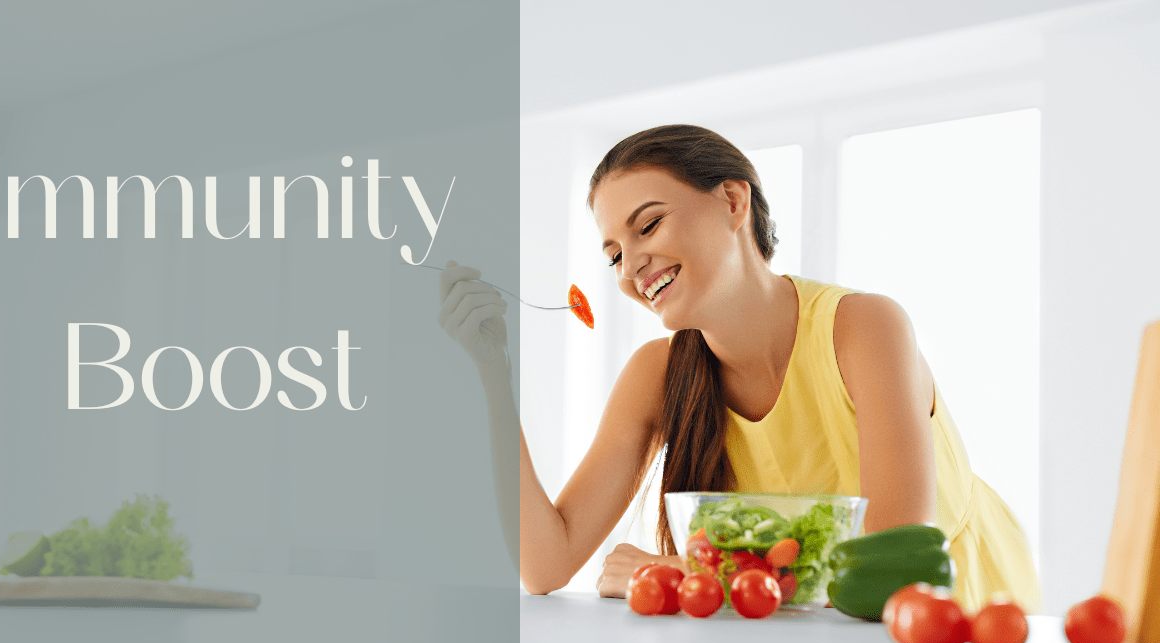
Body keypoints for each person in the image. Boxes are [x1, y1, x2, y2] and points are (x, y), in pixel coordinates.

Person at [437, 124, 1041, 613]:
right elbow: (546, 563)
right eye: (615, 253)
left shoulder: (864, 327)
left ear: (732, 201)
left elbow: (889, 568)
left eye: (648, 225)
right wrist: (491, 371)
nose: (630, 268)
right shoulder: (657, 374)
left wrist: (695, 575)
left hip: (951, 620)